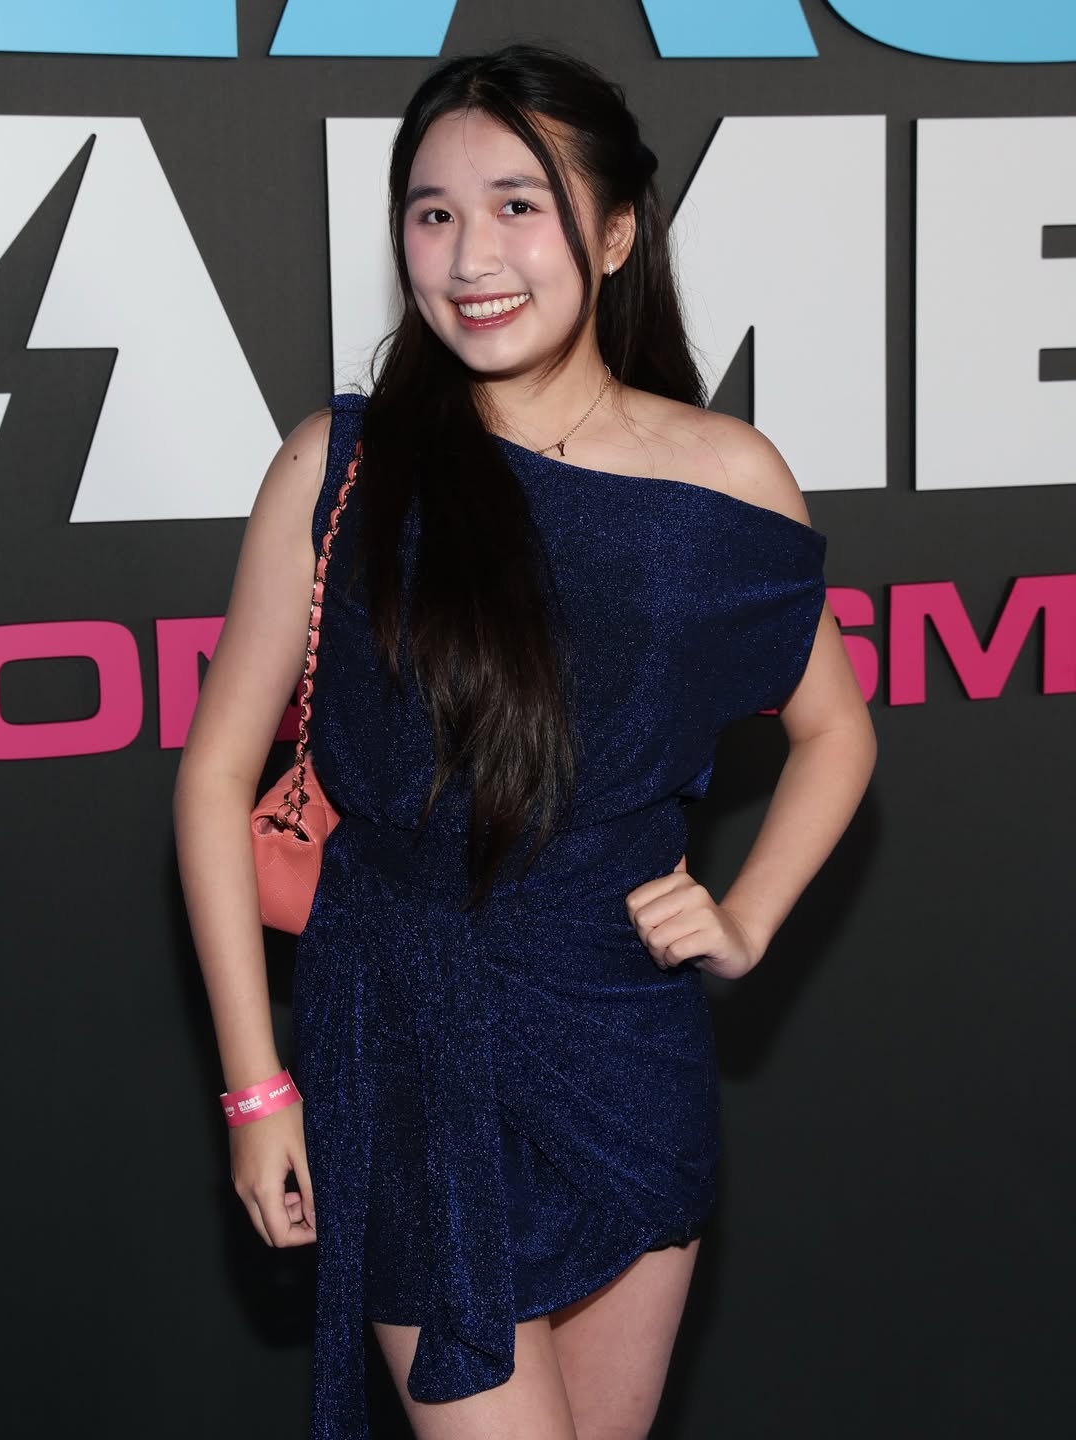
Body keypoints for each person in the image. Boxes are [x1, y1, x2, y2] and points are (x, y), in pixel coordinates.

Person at [173, 40, 876, 1440]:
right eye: (432, 213)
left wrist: (744, 919)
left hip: (624, 1041)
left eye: (518, 205)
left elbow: (835, 731)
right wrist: (257, 1088)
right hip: (404, 1041)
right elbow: (212, 781)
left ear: (614, 233)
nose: (470, 255)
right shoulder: (340, 466)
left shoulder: (725, 477)